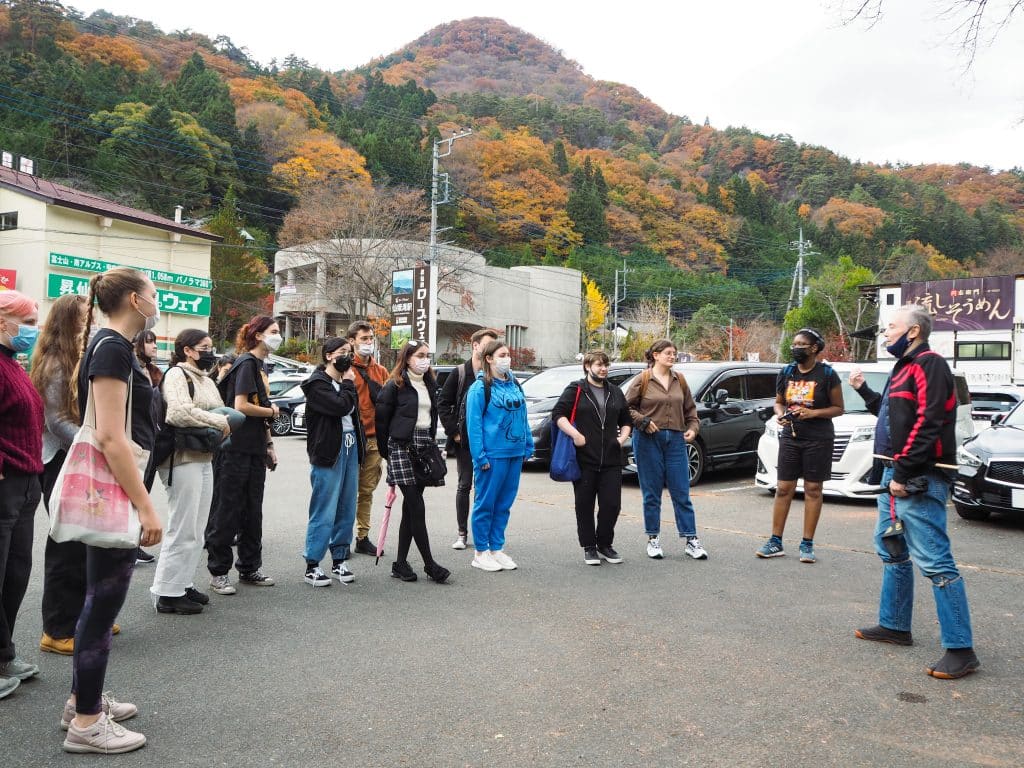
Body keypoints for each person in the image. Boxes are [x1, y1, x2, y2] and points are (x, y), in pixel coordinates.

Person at [850, 304, 980, 679]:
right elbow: (890, 417)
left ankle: (961, 649)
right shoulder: (902, 368)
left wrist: (903, 473)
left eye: (891, 327)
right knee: (892, 550)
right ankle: (894, 626)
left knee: (936, 561)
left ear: (912, 332)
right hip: (894, 473)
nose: (885, 333)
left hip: (918, 475)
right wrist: (864, 391)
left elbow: (929, 422)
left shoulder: (930, 364)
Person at [64, 268, 163, 753]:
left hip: (115, 489)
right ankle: (86, 723)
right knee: (102, 606)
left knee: (97, 603)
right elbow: (109, 435)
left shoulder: (111, 345)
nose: (156, 300)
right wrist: (146, 508)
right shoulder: (113, 348)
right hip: (116, 491)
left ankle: (83, 699)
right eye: (153, 293)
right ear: (133, 299)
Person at [150, 329, 234, 615]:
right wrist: (220, 421)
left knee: (197, 530)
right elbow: (177, 413)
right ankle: (166, 591)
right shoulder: (176, 375)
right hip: (181, 457)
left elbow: (219, 409)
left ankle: (182, 583)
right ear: (187, 349)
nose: (210, 352)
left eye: (211, 346)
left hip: (204, 455)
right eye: (203, 347)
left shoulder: (205, 379)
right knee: (182, 526)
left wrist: (220, 420)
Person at [29, 294, 93, 656]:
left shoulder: (77, 357)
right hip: (58, 459)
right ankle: (56, 629)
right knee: (65, 546)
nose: (90, 322)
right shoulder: (55, 362)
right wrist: (92, 446)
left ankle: (80, 617)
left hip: (74, 457)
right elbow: (56, 422)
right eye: (85, 317)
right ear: (69, 320)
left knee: (83, 541)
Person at [205, 316, 280, 594]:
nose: (278, 336)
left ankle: (249, 567)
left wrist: (269, 445)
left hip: (254, 448)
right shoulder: (247, 362)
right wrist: (272, 412)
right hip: (234, 448)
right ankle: (219, 572)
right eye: (273, 332)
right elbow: (241, 405)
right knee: (228, 510)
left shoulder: (258, 365)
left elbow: (257, 411)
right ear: (258, 336)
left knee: (252, 511)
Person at [755, 328, 844, 564]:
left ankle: (807, 543)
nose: (795, 347)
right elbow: (778, 402)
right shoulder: (787, 371)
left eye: (801, 344)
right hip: (790, 436)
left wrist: (813, 413)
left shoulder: (827, 374)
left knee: (813, 489)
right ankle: (775, 541)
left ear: (814, 348)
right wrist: (780, 414)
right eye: (794, 343)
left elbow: (838, 408)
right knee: (783, 487)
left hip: (819, 438)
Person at [624, 339, 707, 561]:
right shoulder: (642, 379)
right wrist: (642, 421)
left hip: (676, 441)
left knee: (682, 492)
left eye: (674, 353)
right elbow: (625, 408)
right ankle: (653, 539)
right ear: (655, 355)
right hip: (648, 440)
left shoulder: (679, 379)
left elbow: (691, 409)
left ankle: (691, 540)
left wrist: (693, 427)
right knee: (651, 493)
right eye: (668, 353)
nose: (673, 356)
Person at [375, 340, 450, 583]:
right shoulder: (394, 385)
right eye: (420, 355)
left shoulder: (430, 383)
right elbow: (382, 422)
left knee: (410, 508)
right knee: (416, 505)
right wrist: (388, 452)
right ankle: (430, 564)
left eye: (427, 355)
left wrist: (433, 446)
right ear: (407, 358)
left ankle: (400, 563)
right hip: (400, 446)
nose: (425, 359)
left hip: (423, 446)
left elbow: (431, 417)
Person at [0, 289, 43, 700]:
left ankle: (5, 654)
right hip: (6, 482)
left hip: (26, 482)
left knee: (15, 575)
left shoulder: (13, 363)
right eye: (26, 322)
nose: (32, 329)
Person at [551, 350, 633, 566]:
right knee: (584, 505)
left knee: (611, 504)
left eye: (606, 365)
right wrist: (576, 435)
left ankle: (605, 544)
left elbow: (626, 419)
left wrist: (622, 438)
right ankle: (589, 547)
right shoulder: (576, 389)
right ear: (588, 366)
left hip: (612, 459)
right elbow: (558, 414)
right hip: (584, 458)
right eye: (598, 365)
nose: (603, 368)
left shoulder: (615, 392)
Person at [300, 337, 364, 587]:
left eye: (349, 352)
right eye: (341, 352)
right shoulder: (316, 384)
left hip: (350, 447)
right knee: (324, 508)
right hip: (328, 451)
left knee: (347, 507)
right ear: (328, 355)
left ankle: (339, 559)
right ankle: (312, 564)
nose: (347, 357)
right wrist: (349, 384)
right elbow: (340, 408)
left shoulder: (346, 384)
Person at [466, 340, 533, 572]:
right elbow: (473, 426)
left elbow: (523, 416)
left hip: (514, 453)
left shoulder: (514, 384)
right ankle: (481, 551)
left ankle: (496, 548)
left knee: (504, 504)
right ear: (489, 358)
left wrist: (528, 444)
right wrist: (480, 457)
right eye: (502, 355)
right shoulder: (479, 388)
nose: (507, 358)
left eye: (508, 354)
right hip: (492, 456)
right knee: (486, 503)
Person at [438, 327, 500, 549]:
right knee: (465, 485)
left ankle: (483, 533)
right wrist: (454, 431)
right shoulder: (460, 372)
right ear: (475, 346)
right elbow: (443, 403)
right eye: (487, 344)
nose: (490, 350)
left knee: (486, 488)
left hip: (490, 441)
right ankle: (462, 533)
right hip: (463, 440)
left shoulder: (494, 374)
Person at [347, 321, 389, 556]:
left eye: (370, 338)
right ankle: (340, 537)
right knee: (345, 491)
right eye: (363, 338)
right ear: (352, 341)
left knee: (366, 491)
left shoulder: (380, 370)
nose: (368, 342)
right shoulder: (345, 368)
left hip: (374, 439)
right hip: (351, 437)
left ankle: (362, 536)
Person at [131, 329, 162, 565]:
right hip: (133, 442)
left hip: (152, 441)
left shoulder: (155, 372)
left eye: (155, 343)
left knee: (144, 491)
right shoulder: (129, 369)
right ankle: (129, 546)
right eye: (149, 342)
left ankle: (135, 544)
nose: (153, 346)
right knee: (132, 496)